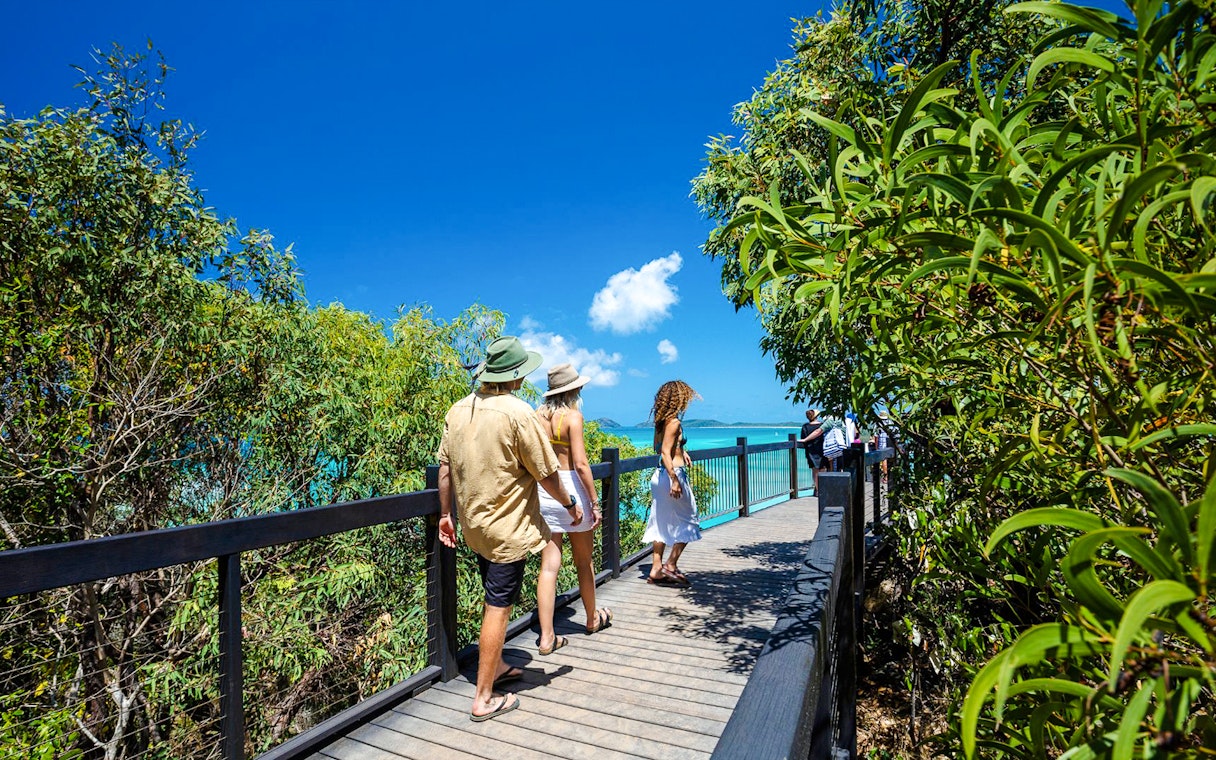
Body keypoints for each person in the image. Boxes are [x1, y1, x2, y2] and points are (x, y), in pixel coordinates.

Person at [437, 336, 583, 722]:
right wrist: (570, 505)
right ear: (516, 375)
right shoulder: (518, 413)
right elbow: (548, 473)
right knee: (498, 607)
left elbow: (445, 469)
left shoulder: (458, 410)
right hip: (507, 530)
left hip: (474, 527)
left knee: (492, 593)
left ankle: (497, 667)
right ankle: (483, 697)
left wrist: (444, 515)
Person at [534, 363, 612, 656]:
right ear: (573, 390)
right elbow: (580, 464)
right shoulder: (573, 417)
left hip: (546, 489)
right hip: (571, 493)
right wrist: (593, 503)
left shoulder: (537, 417)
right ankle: (592, 619)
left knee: (548, 567)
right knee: (584, 561)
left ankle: (546, 636)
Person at [643, 380, 702, 586]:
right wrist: (675, 480)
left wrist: (681, 450)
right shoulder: (674, 422)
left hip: (658, 477)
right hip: (671, 475)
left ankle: (656, 569)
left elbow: (658, 447)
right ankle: (671, 564)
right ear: (679, 399)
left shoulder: (660, 422)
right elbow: (664, 453)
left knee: (660, 521)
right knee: (690, 519)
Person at [797, 408, 827, 492]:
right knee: (823, 469)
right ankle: (823, 490)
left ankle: (818, 490)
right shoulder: (822, 425)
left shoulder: (805, 426)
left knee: (815, 471)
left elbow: (803, 438)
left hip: (810, 450)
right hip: (822, 449)